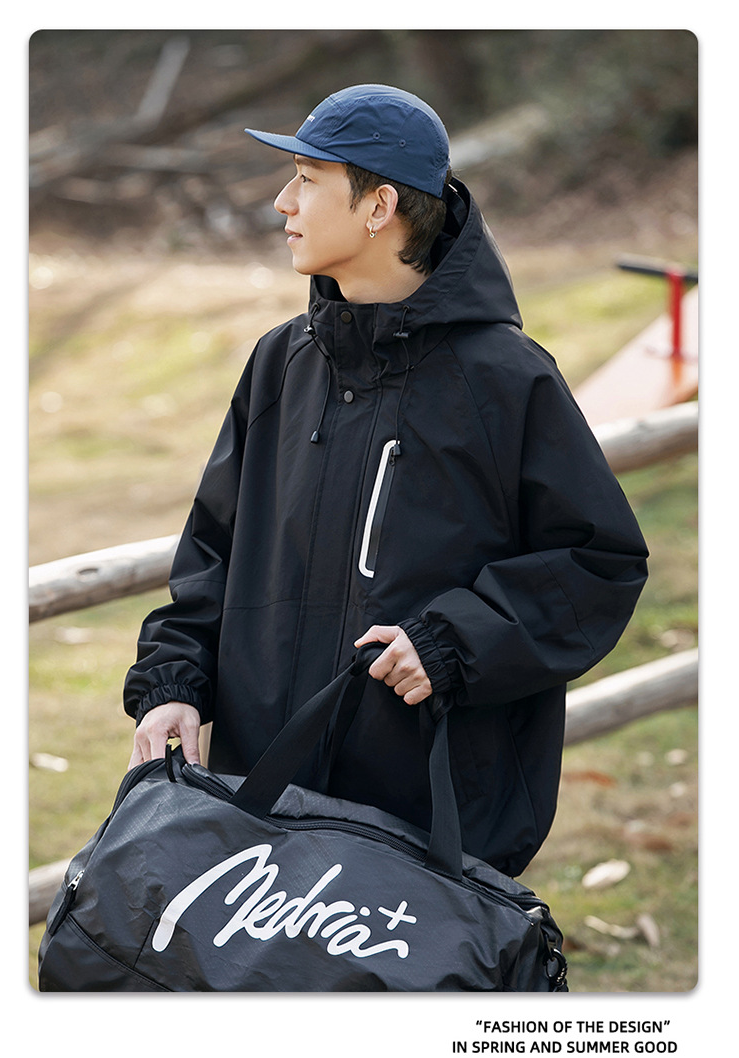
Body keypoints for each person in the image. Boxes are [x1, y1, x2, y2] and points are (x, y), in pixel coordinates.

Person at [123, 84, 648, 879]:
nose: (282, 202)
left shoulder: (506, 379)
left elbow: (597, 561)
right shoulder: (280, 363)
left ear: (380, 206)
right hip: (257, 799)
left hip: (422, 823)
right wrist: (175, 682)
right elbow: (213, 550)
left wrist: (453, 641)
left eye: (308, 180)